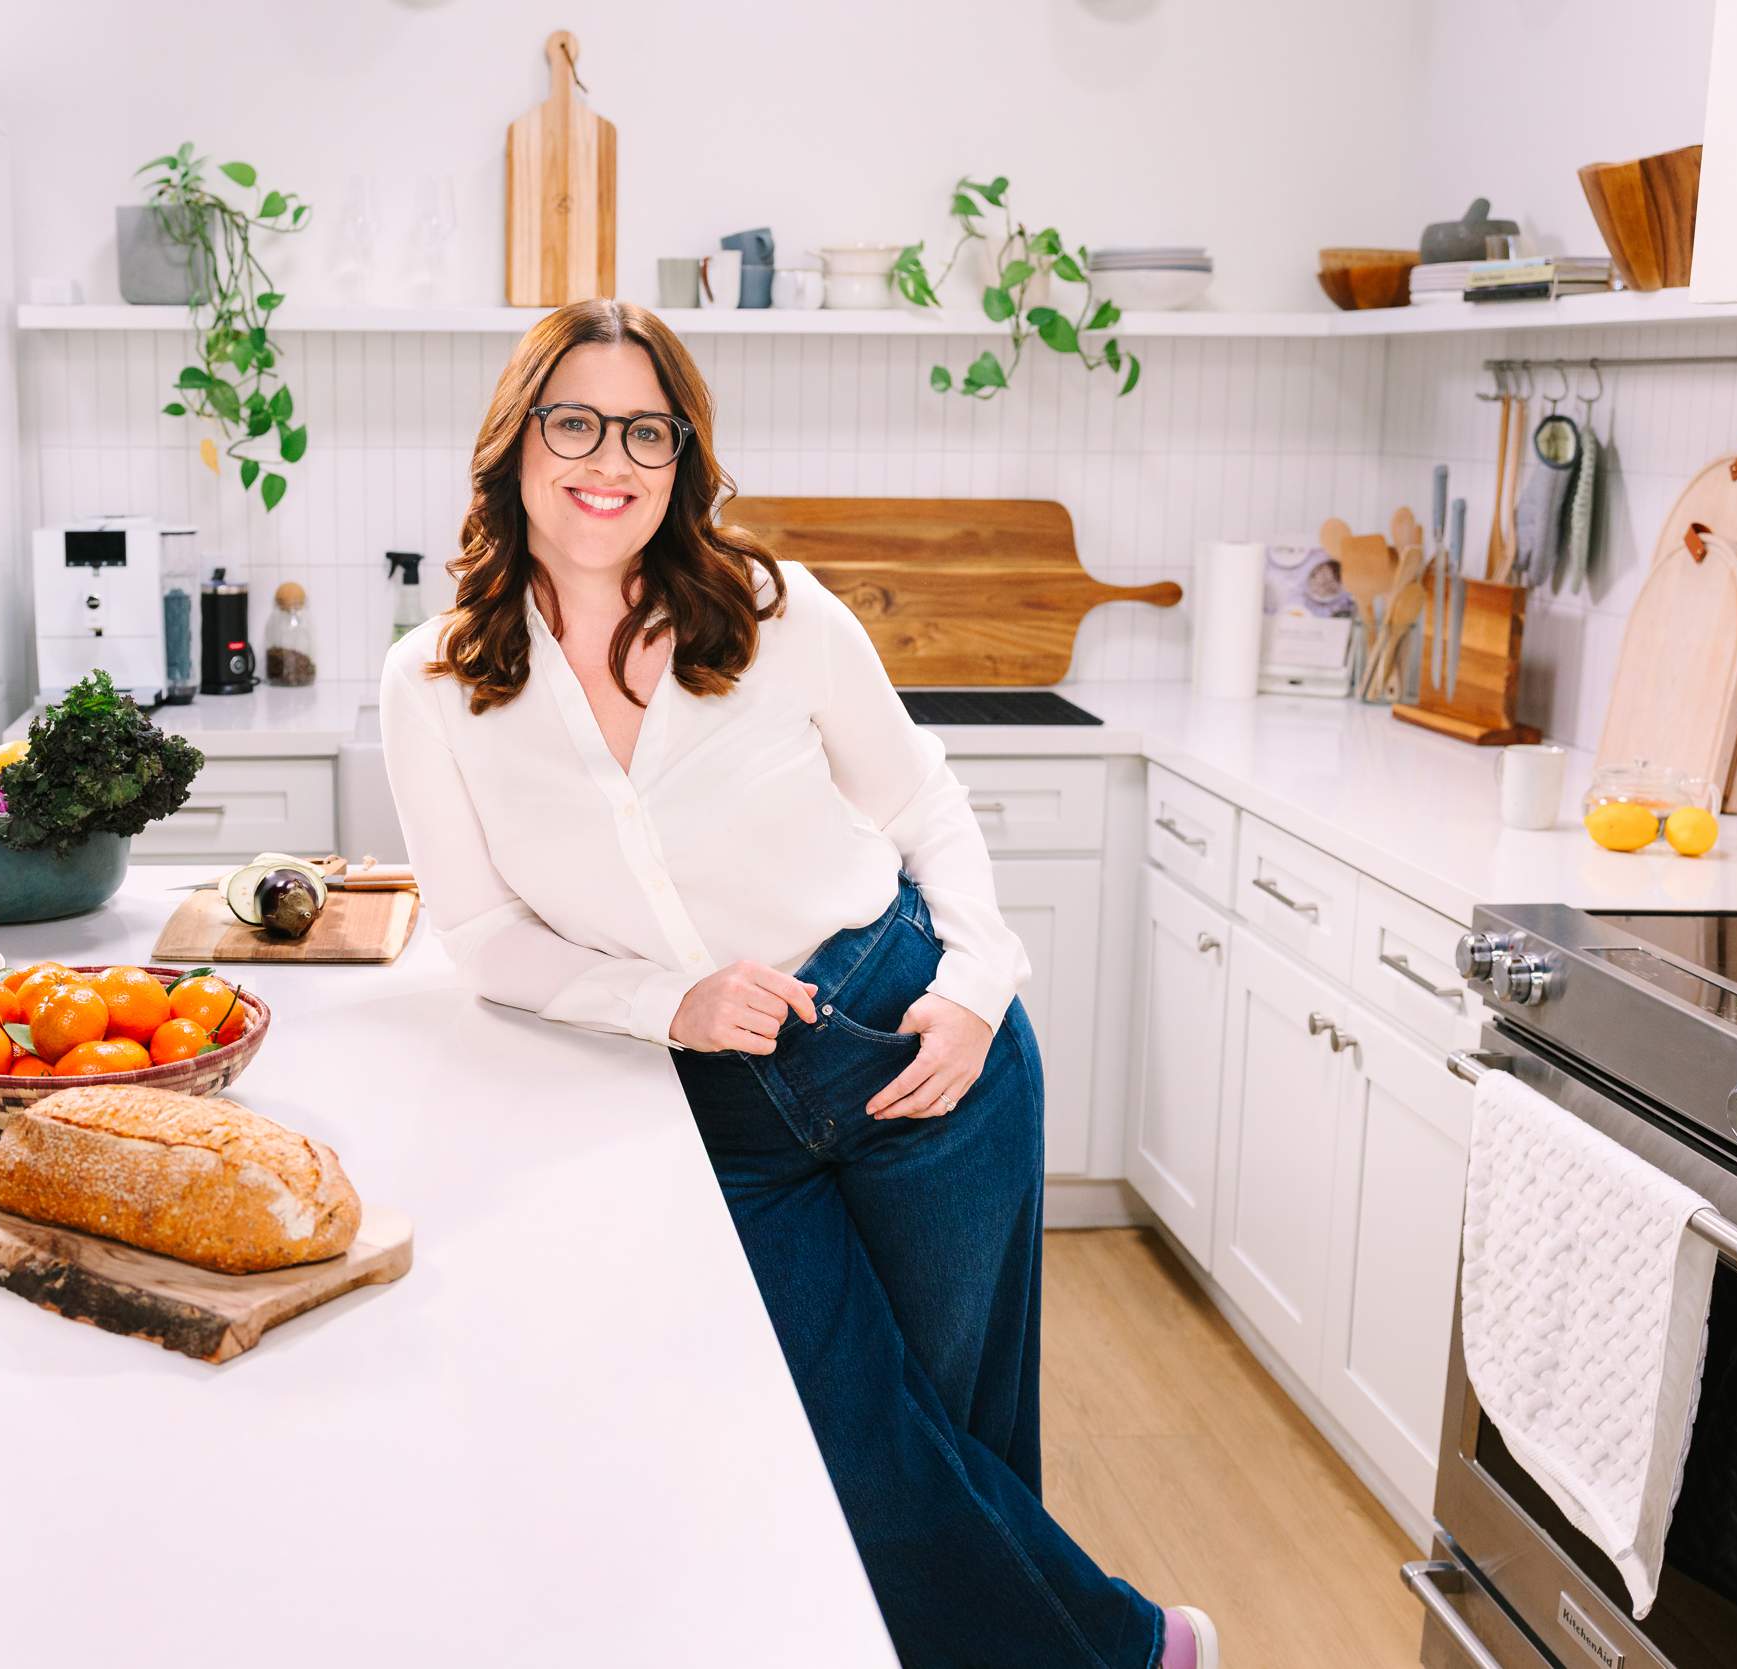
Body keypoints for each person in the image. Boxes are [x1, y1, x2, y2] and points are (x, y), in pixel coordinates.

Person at [379, 299, 1217, 1669]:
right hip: (723, 1108)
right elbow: (479, 935)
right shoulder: (434, 682)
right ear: (516, 446)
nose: (613, 458)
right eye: (575, 421)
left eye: (648, 429)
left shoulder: (772, 613)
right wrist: (673, 1002)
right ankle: (1144, 1652)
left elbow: (926, 802)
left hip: (913, 1042)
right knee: (859, 1455)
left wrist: (976, 985)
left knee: (955, 1445)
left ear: (683, 456)